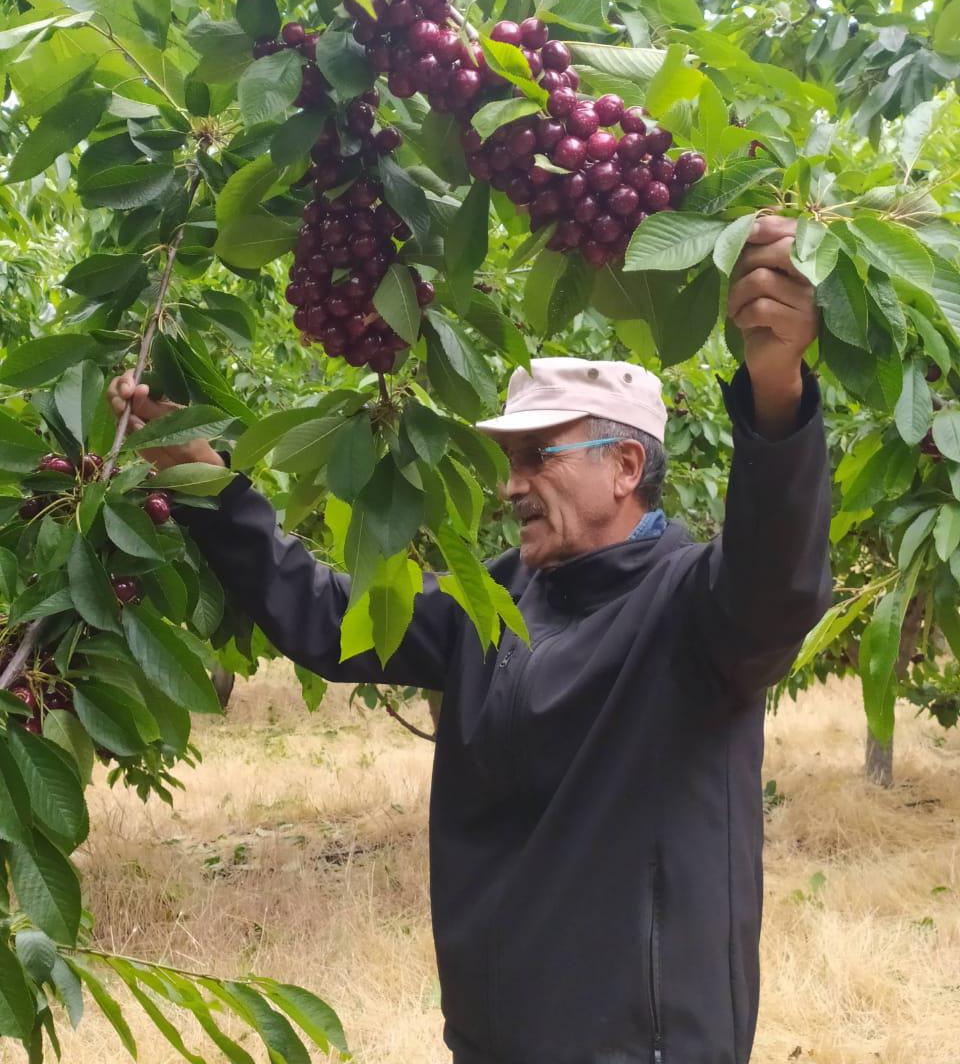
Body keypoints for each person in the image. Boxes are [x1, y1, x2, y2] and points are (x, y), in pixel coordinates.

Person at [108, 215, 831, 1064]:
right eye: (509, 462)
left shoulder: (695, 610)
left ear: (626, 467)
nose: (512, 486)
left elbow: (777, 582)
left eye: (539, 457)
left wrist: (776, 385)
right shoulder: (494, 601)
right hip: (494, 1037)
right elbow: (325, 617)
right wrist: (205, 481)